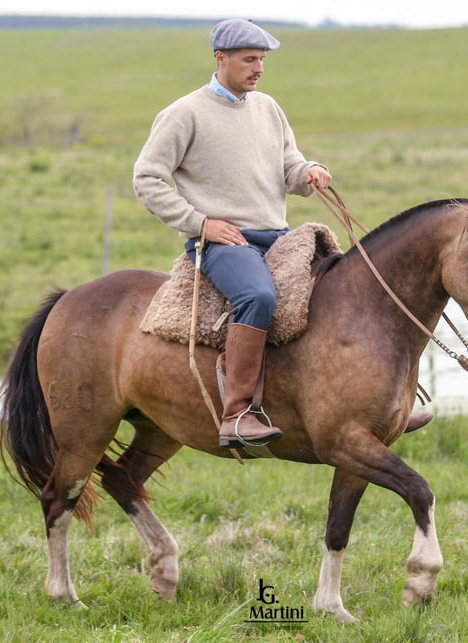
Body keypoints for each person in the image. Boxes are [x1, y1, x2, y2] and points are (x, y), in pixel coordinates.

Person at [133, 18, 332, 449]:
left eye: (261, 60)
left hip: (278, 233)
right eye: (249, 60)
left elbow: (289, 166)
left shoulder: (268, 108)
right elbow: (147, 179)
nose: (258, 68)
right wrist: (201, 223)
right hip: (224, 241)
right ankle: (238, 413)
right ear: (220, 59)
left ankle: (356, 404)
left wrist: (309, 172)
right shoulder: (184, 113)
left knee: (336, 285)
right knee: (257, 296)